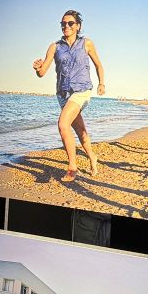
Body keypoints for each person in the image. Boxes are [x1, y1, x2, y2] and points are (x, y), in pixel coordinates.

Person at [32, 10, 106, 182]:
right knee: (80, 131)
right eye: (63, 23)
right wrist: (37, 68)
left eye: (70, 23)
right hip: (63, 94)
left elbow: (98, 65)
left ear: (78, 26)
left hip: (82, 90)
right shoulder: (55, 47)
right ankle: (93, 157)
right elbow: (42, 73)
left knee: (63, 124)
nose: (66, 26)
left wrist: (101, 83)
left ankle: (72, 167)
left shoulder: (86, 43)